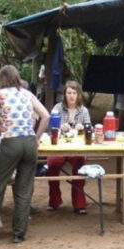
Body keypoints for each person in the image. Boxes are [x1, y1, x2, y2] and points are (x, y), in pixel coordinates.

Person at [0, 65, 49, 247]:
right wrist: (36, 139)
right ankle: (19, 234)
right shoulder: (28, 94)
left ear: (2, 79)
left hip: (11, 142)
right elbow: (45, 116)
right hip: (29, 142)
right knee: (24, 189)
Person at [46, 80, 91, 214]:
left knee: (80, 166)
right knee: (52, 165)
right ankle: (54, 201)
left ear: (79, 95)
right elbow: (50, 130)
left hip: (77, 148)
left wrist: (83, 129)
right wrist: (59, 127)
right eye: (68, 93)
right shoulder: (57, 108)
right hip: (59, 147)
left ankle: (79, 204)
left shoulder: (84, 111)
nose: (71, 96)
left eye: (74, 93)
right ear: (64, 94)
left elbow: (90, 131)